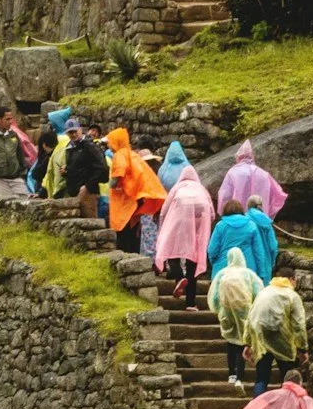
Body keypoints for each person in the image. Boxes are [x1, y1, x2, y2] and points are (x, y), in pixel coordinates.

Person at [154, 139, 215, 304]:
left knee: (171, 252)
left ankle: (179, 277)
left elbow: (165, 210)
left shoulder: (177, 187)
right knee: (192, 261)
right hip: (197, 227)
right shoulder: (200, 188)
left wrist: (163, 228)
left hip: (178, 223)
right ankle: (191, 303)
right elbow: (210, 212)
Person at [244, 265, 308, 396]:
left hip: (261, 340)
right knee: (289, 378)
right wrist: (302, 348)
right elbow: (299, 324)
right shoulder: (292, 296)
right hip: (283, 340)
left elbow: (250, 317)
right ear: (291, 279)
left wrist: (248, 343)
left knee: (261, 378)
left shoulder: (264, 292)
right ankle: (288, 408)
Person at [208, 243, 263, 383]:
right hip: (244, 312)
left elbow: (214, 297)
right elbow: (258, 293)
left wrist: (218, 309)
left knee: (230, 342)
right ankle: (240, 376)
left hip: (226, 311)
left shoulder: (222, 274)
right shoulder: (249, 274)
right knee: (242, 342)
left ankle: (231, 373)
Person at [105, 127, 167, 244]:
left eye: (110, 142)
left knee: (124, 234)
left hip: (127, 200)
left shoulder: (120, 155)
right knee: (133, 233)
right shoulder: (131, 154)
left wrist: (112, 185)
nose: (108, 145)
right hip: (136, 198)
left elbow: (119, 172)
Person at [207, 197, 276, 281]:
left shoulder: (220, 226)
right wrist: (261, 273)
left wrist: (215, 263)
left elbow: (212, 250)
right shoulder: (251, 225)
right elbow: (259, 252)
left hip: (223, 270)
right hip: (247, 270)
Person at [215, 139, 287, 219]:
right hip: (260, 219)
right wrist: (268, 213)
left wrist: (224, 213)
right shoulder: (264, 174)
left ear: (238, 157)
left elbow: (224, 195)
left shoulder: (233, 172)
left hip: (238, 219)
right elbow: (278, 195)